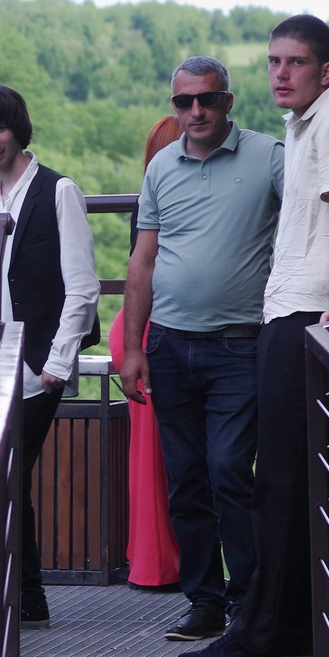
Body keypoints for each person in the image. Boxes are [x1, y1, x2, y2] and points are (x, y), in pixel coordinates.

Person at [175, 17, 329, 657]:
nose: (281, 73)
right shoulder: (310, 124)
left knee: (283, 484)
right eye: (274, 61)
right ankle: (297, 632)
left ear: (325, 70)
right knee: (299, 482)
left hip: (311, 320)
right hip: (309, 311)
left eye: (297, 62)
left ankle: (261, 636)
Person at [115, 59, 283, 644]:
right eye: (184, 103)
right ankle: (205, 602)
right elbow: (142, 259)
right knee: (186, 479)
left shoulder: (269, 156)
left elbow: (320, 223)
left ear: (228, 101)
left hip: (240, 345)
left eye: (206, 100)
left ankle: (249, 602)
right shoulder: (163, 165)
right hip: (168, 343)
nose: (195, 113)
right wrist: (134, 348)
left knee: (231, 471)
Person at [0, 82, 96, 631]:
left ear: (18, 127)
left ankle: (18, 595)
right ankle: (26, 598)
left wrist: (60, 360)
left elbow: (81, 285)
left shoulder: (59, 191)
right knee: (5, 477)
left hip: (38, 366)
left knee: (2, 476)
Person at [123, 113, 189, 594]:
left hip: (135, 331)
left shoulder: (149, 203)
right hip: (154, 332)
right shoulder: (171, 202)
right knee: (166, 458)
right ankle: (162, 564)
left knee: (151, 459)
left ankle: (152, 560)